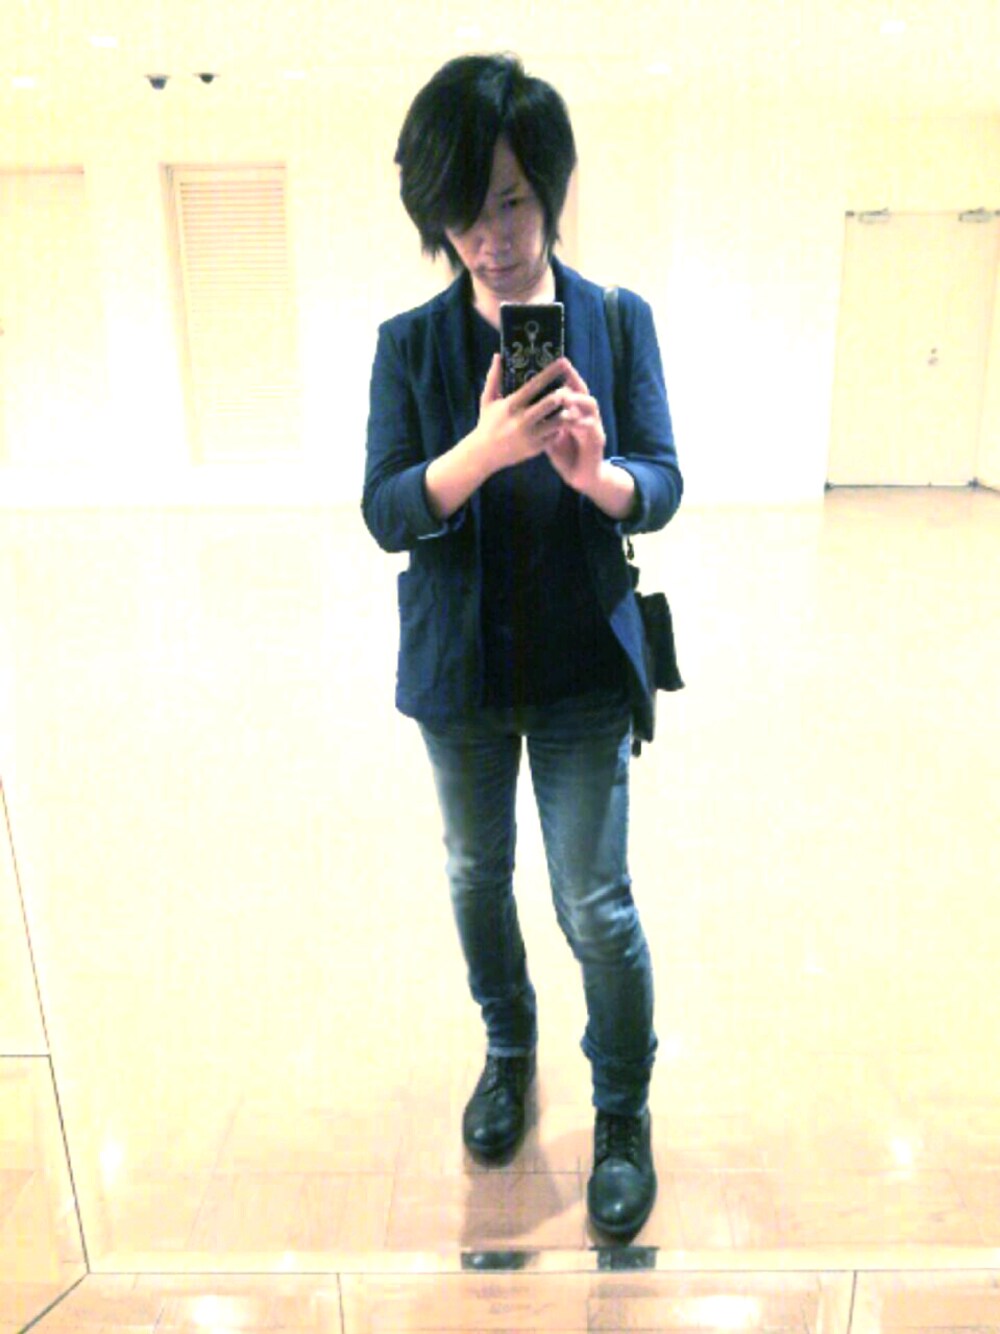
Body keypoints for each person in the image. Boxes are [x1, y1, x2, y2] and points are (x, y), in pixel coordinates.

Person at [362, 53, 682, 1241]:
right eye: (462, 212)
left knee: (594, 901)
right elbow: (386, 507)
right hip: (459, 672)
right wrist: (483, 450)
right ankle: (509, 1049)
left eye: (509, 200)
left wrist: (601, 478)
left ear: (547, 187)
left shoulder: (617, 320)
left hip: (582, 667)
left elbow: (663, 478)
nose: (490, 239)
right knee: (473, 876)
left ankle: (621, 1110)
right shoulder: (409, 345)